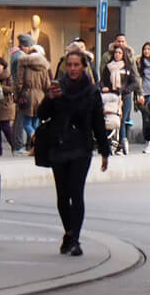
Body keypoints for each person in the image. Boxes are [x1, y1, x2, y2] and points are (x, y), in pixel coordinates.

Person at [39, 49, 111, 256]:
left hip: (81, 147)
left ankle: (76, 239)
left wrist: (105, 152)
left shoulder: (91, 91)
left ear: (83, 66)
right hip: (59, 145)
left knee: (76, 193)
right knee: (62, 195)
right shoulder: (57, 87)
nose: (72, 69)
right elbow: (42, 115)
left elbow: (98, 121)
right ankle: (69, 233)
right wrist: (49, 99)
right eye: (69, 65)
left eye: (76, 65)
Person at [15, 42, 52, 153]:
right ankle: (37, 147)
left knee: (26, 123)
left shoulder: (24, 65)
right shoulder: (44, 67)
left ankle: (36, 139)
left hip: (27, 95)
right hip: (40, 97)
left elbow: (19, 83)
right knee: (35, 123)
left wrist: (17, 96)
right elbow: (47, 85)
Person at [101, 44, 138, 154]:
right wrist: (104, 87)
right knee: (111, 118)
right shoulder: (108, 67)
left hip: (124, 97)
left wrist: (126, 89)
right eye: (116, 53)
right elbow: (103, 80)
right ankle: (109, 141)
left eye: (120, 53)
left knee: (122, 119)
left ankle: (121, 142)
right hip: (111, 96)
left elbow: (134, 82)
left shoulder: (127, 67)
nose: (117, 55)